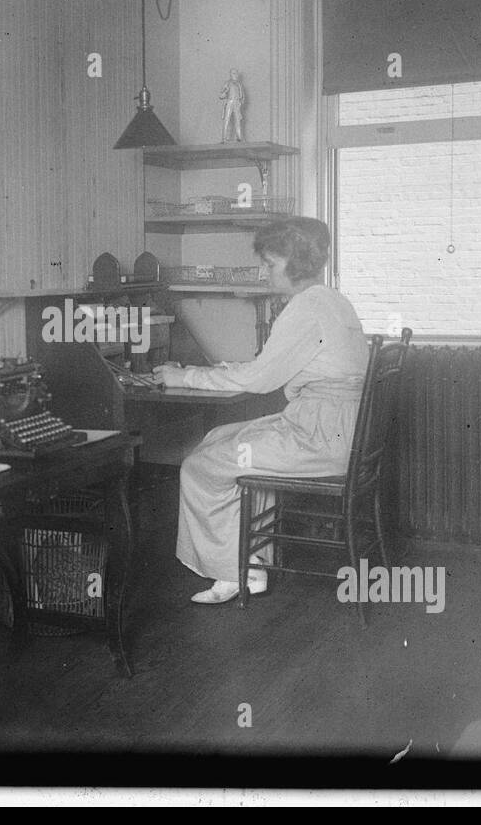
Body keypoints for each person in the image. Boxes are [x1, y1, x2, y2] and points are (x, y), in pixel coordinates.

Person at [153, 217, 369, 604]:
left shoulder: (306, 310)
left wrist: (185, 377)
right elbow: (267, 370)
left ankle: (234, 573)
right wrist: (208, 373)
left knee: (200, 466)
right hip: (338, 431)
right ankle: (249, 561)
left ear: (296, 262)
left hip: (318, 437)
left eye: (270, 264)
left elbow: (258, 379)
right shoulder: (333, 300)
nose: (264, 271)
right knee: (218, 438)